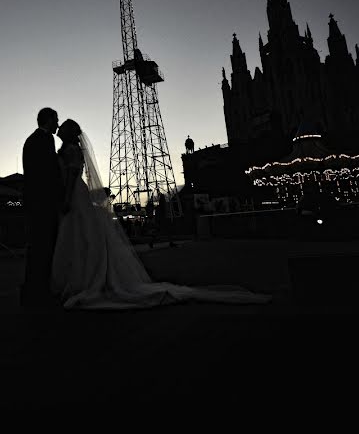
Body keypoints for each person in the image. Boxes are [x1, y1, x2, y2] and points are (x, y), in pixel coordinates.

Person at [50, 118, 271, 310]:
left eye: (62, 126)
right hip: (79, 194)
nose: (58, 128)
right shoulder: (74, 151)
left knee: (79, 236)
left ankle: (79, 280)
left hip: (75, 195)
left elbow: (70, 178)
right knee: (82, 236)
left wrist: (67, 198)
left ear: (68, 132)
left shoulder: (70, 151)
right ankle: (83, 278)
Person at [20, 107, 66, 308]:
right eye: (56, 120)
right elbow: (48, 173)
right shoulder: (45, 140)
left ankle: (33, 289)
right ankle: (38, 291)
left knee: (39, 246)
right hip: (43, 202)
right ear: (48, 120)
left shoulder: (33, 140)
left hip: (36, 201)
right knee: (44, 245)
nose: (58, 124)